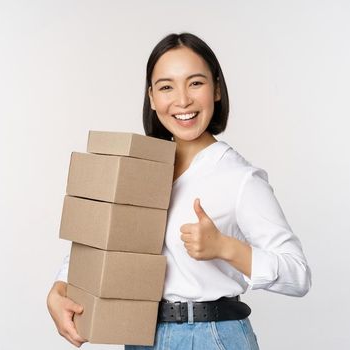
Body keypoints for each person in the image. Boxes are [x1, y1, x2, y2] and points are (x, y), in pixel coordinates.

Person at [46, 33, 312, 349]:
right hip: (141, 334)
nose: (182, 100)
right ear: (152, 97)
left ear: (216, 89)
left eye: (195, 83)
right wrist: (60, 288)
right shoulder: (141, 166)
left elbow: (299, 276)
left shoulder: (239, 178)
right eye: (166, 86)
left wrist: (225, 247)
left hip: (210, 337)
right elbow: (104, 240)